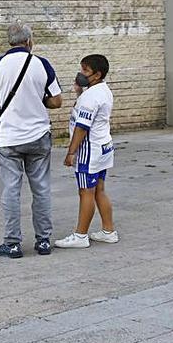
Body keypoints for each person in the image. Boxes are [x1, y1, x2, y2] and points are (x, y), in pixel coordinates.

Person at [0, 22, 62, 259]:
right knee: (42, 189)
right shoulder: (41, 64)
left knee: (11, 190)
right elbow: (57, 101)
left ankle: (13, 243)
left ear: (10, 42)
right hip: (38, 136)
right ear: (29, 41)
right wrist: (39, 100)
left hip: (9, 138)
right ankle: (44, 241)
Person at [55, 54, 119, 249]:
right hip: (103, 147)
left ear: (97, 74)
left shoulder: (91, 96)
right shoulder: (101, 90)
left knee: (86, 192)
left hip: (89, 150)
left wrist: (71, 152)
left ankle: (80, 235)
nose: (81, 74)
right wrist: (79, 93)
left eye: (85, 71)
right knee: (99, 189)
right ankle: (108, 231)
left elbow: (82, 128)